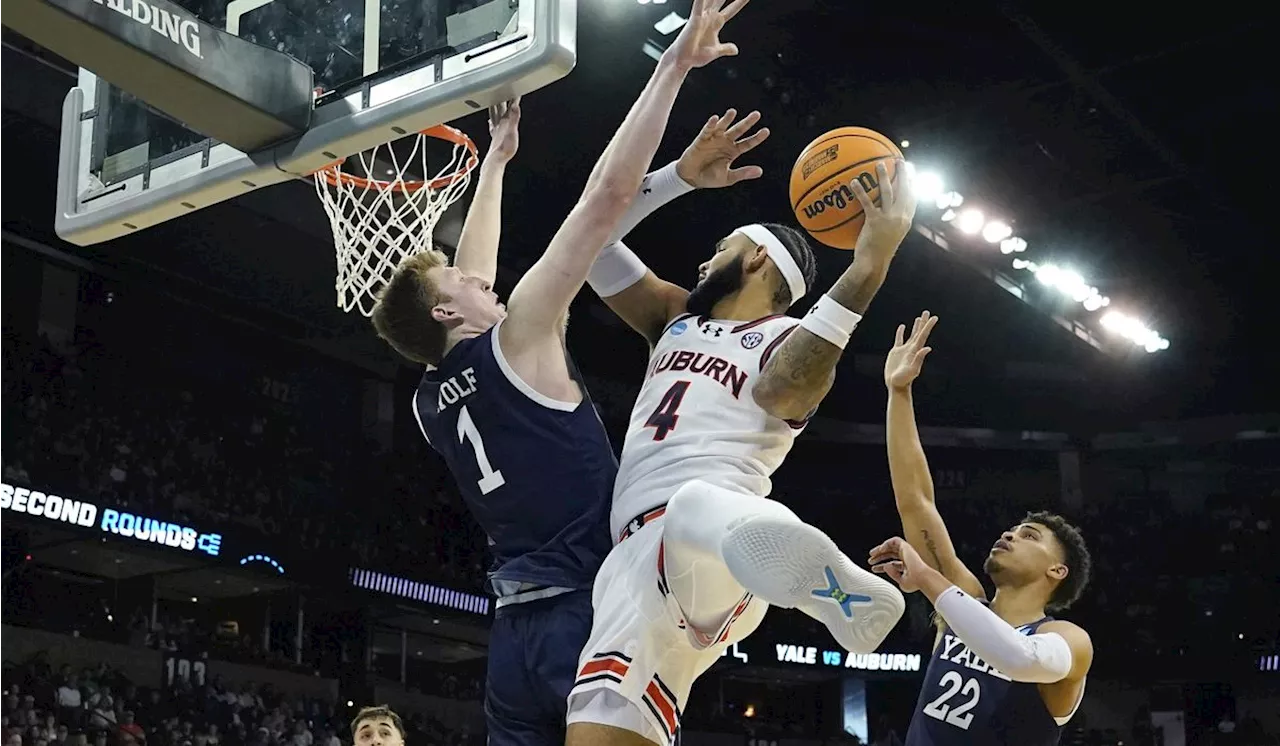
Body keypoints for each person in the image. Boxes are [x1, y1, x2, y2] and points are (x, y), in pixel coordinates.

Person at [367, 2, 758, 743]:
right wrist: (673, 68)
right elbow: (605, 200)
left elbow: (475, 271)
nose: (482, 278)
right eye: (460, 281)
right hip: (592, 606)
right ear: (449, 316)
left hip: (514, 635)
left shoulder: (430, 397)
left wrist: (497, 164)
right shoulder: (520, 337)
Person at [565, 127, 918, 746]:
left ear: (756, 257)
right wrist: (677, 176)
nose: (703, 261)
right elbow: (589, 237)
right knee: (596, 733)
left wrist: (869, 266)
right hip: (636, 560)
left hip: (717, 545)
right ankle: (806, 566)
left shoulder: (791, 340)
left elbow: (783, 392)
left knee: (696, 503)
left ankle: (815, 573)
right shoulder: (672, 319)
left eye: (721, 247)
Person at [867, 312, 1094, 745]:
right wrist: (899, 392)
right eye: (1013, 529)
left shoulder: (1067, 639)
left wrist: (928, 579)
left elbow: (1017, 658)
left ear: (1057, 572)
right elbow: (916, 502)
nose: (1010, 534)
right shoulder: (963, 602)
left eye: (1030, 535)